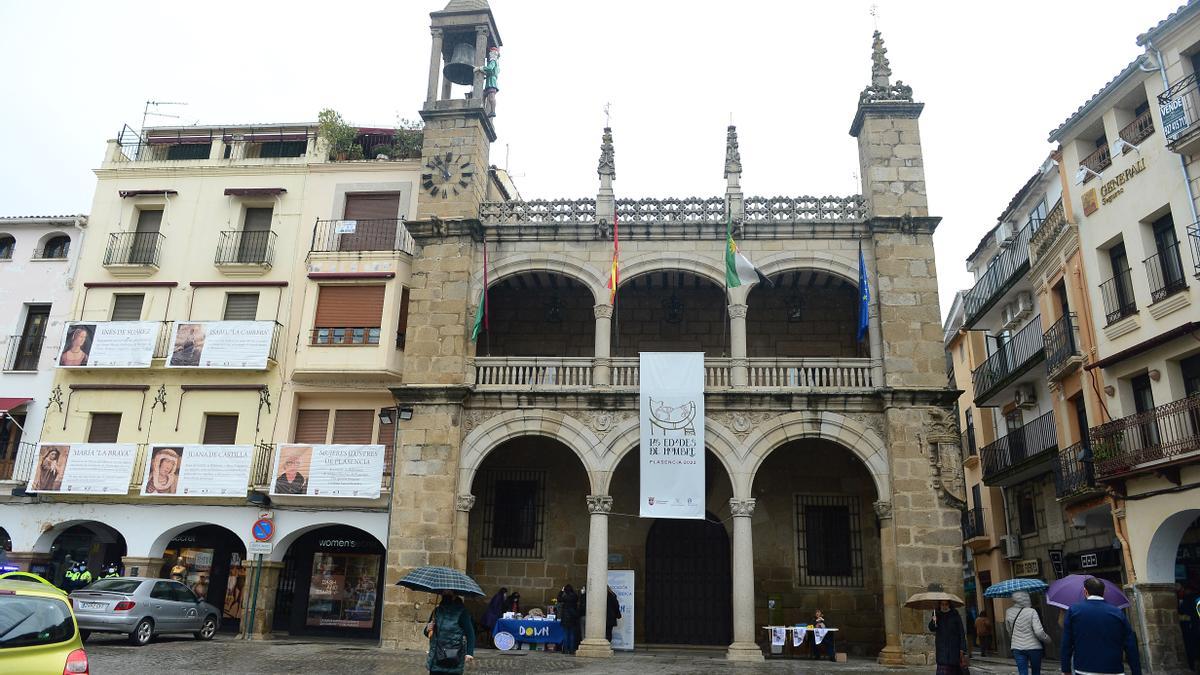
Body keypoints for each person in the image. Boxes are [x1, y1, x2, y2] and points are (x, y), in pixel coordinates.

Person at [1061, 577, 1142, 675]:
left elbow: (1066, 643)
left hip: (1084, 668)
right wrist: (1136, 671)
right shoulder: (1117, 612)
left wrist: (1066, 669)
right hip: (1113, 669)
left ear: (1085, 592)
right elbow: (1130, 645)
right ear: (1103, 592)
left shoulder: (1073, 611)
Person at [424, 590, 475, 674]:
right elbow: (427, 633)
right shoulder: (436, 611)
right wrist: (428, 628)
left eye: (449, 592)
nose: (446, 594)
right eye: (444, 592)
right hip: (436, 657)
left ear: (455, 594)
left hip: (453, 656)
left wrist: (469, 653)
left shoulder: (462, 612)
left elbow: (470, 633)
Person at [1006, 591, 1051, 675]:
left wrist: (1014, 641)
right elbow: (1038, 632)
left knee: (1022, 672)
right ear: (1027, 598)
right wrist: (1048, 639)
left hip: (1017, 647)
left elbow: (1009, 631)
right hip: (1034, 647)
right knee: (1036, 672)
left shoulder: (1008, 611)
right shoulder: (1031, 611)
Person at [928, 600, 968, 675]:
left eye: (946, 604)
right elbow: (932, 628)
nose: (944, 606)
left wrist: (962, 648)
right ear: (939, 605)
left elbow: (961, 632)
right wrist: (933, 621)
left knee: (953, 670)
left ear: (949, 605)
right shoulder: (936, 614)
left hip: (954, 649)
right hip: (942, 649)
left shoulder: (955, 615)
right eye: (942, 604)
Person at [474, 46, 499, 117]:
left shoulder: (493, 61)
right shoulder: (493, 62)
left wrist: (481, 68)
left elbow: (490, 68)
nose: (490, 54)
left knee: (491, 96)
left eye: (491, 53)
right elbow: (490, 71)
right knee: (483, 94)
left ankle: (492, 111)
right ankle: (483, 107)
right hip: (489, 81)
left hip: (491, 82)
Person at [558, 584, 580, 655]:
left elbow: (559, 599)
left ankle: (565, 649)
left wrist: (561, 592)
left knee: (565, 634)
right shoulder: (575, 596)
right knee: (572, 635)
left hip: (565, 618)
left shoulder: (565, 597)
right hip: (573, 618)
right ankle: (571, 650)